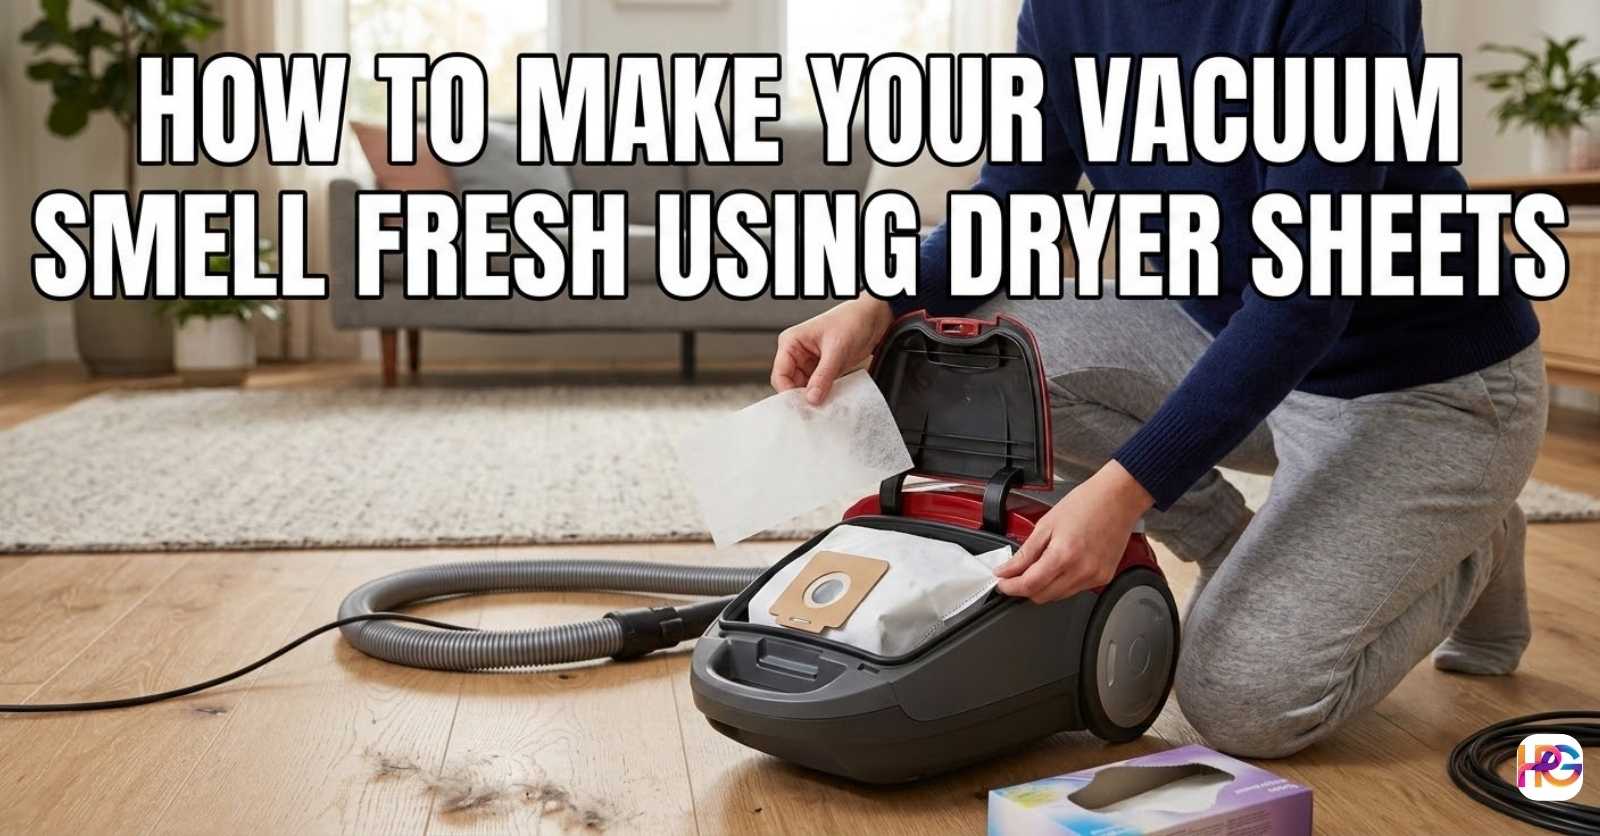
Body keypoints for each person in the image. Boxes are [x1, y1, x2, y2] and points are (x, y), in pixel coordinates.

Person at [770, 0, 1546, 759]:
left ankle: (1469, 537)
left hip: (1430, 390)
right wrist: (877, 305)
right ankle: (1233, 540)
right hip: (1244, 347)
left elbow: (1306, 297)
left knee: (1240, 704)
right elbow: (1013, 199)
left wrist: (1122, 490)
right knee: (991, 345)